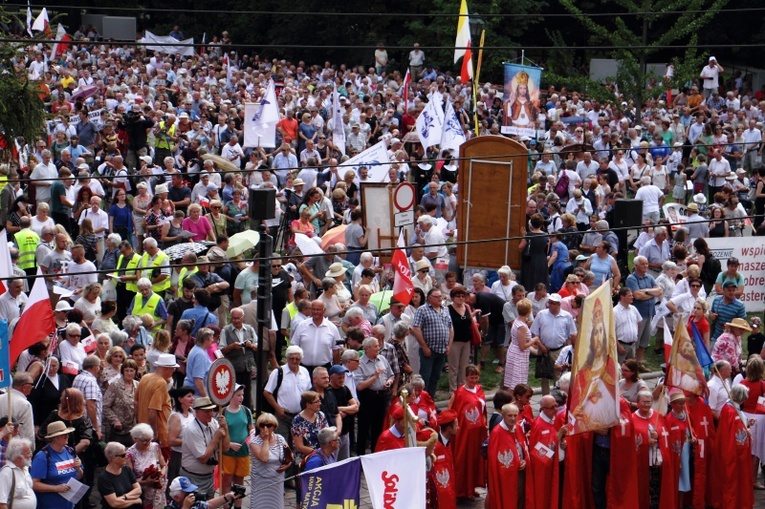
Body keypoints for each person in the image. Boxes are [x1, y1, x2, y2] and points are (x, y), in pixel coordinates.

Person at [448, 365, 487, 499]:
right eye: (471, 377)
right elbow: (452, 411)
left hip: (479, 432)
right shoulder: (459, 393)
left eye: (476, 377)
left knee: (476, 460)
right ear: (465, 377)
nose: (474, 380)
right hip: (465, 433)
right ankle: (462, 490)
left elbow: (484, 409)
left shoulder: (480, 389)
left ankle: (472, 487)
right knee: (464, 460)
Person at [180, 397, 230, 500]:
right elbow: (203, 458)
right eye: (206, 412)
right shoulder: (192, 429)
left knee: (209, 504)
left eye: (211, 410)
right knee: (196, 505)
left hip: (208, 476)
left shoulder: (213, 423)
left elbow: (225, 448)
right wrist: (216, 438)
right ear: (197, 413)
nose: (210, 414)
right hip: (193, 477)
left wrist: (225, 428)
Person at [713, 384, 754, 509]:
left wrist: (746, 423)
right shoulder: (730, 410)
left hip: (739, 453)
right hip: (733, 453)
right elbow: (731, 432)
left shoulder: (733, 409)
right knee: (732, 481)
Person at [530, 293, 577, 394]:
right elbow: (535, 332)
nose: (550, 305)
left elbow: (572, 334)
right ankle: (545, 397)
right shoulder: (541, 314)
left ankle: (558, 397)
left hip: (558, 350)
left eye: (552, 303)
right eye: (549, 302)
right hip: (543, 350)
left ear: (558, 304)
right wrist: (541, 346)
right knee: (544, 377)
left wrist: (567, 349)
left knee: (558, 375)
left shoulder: (567, 316)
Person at [632, 390, 672, 509]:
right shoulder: (632, 419)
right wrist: (645, 443)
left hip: (656, 461)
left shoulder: (657, 415)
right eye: (644, 402)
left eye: (649, 402)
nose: (647, 404)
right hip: (641, 462)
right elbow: (629, 443)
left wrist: (658, 436)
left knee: (656, 489)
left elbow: (665, 434)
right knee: (642, 489)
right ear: (637, 403)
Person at [527, 395, 569, 509]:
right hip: (546, 470)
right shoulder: (538, 425)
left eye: (556, 405)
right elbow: (539, 453)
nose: (556, 409)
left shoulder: (554, 419)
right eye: (552, 407)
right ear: (543, 409)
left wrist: (562, 443)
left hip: (558, 464)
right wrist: (558, 436)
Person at [31, 421, 84, 509]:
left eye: (67, 434)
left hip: (69, 505)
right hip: (50, 505)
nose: (67, 436)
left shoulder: (70, 451)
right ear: (54, 438)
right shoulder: (42, 456)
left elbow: (78, 477)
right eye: (64, 435)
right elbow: (34, 484)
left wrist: (78, 469)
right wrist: (56, 488)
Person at [354, 337, 394, 455]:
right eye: (375, 346)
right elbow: (359, 386)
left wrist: (389, 382)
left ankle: (376, 453)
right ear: (367, 349)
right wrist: (374, 377)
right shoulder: (360, 364)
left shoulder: (382, 359)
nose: (378, 348)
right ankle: (360, 456)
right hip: (367, 397)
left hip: (381, 396)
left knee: (379, 426)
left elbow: (391, 375)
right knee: (364, 428)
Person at [263, 345, 312, 441]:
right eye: (291, 358)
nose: (294, 361)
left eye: (297, 359)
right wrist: (278, 408)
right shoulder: (278, 372)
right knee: (283, 445)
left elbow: (309, 392)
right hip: (283, 417)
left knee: (299, 444)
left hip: (301, 416)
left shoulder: (305, 372)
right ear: (287, 358)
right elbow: (267, 392)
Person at [411, 289, 453, 397]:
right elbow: (416, 329)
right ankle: (420, 400)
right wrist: (424, 347)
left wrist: (449, 345)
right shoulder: (422, 310)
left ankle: (430, 401)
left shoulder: (445, 310)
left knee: (436, 377)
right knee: (425, 377)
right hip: (428, 350)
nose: (440, 298)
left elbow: (450, 328)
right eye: (437, 297)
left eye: (441, 296)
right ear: (430, 298)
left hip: (442, 350)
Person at [625, 256, 663, 371]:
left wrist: (645, 291)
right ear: (636, 266)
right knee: (635, 340)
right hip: (638, 314)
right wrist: (651, 293)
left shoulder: (649, 277)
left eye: (646, 263)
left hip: (648, 312)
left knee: (644, 341)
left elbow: (659, 291)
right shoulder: (632, 279)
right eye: (643, 264)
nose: (646, 266)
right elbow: (637, 296)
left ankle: (638, 362)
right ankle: (631, 364)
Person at [487, 403, 527, 508]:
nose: (513, 418)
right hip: (505, 477)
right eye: (510, 415)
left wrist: (524, 460)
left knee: (520, 498)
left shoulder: (518, 428)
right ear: (503, 415)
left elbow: (523, 447)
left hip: (519, 472)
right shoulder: (497, 433)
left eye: (515, 415)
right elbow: (493, 459)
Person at [135, 353, 178, 450]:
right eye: (173, 368)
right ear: (166, 368)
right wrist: (155, 433)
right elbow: (152, 410)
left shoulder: (145, 377)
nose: (173, 371)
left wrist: (139, 422)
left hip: (143, 430)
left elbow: (136, 402)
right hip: (159, 435)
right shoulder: (161, 383)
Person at [248, 412, 291, 509]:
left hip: (277, 481)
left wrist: (287, 465)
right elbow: (264, 458)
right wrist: (266, 440)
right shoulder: (255, 442)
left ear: (274, 427)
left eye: (268, 425)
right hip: (261, 480)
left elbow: (289, 456)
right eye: (262, 425)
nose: (265, 428)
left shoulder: (280, 439)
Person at [220, 385, 252, 509]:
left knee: (240, 481)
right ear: (231, 397)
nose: (241, 398)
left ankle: (238, 506)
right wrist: (229, 444)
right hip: (228, 453)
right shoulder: (223, 412)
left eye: (242, 395)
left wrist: (252, 434)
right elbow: (220, 433)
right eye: (238, 395)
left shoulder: (246, 411)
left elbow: (250, 427)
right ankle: (226, 505)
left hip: (243, 452)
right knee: (227, 481)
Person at [503, 298, 541, 392]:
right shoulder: (522, 326)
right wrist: (534, 339)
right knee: (516, 383)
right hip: (518, 355)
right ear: (529, 311)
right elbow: (522, 346)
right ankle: (512, 402)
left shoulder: (517, 321)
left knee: (513, 381)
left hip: (515, 351)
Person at [125, 424, 166, 509]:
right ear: (135, 438)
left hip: (158, 490)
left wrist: (160, 474)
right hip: (142, 491)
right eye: (144, 440)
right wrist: (146, 481)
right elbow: (129, 478)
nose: (147, 443)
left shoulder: (155, 447)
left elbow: (164, 465)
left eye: (149, 440)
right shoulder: (130, 453)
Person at [102, 359, 139, 446]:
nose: (129, 373)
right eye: (126, 370)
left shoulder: (138, 385)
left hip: (133, 429)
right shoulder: (115, 385)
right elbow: (105, 406)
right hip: (118, 430)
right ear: (122, 372)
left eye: (131, 371)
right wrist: (115, 421)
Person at [98, 442, 143, 509]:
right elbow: (114, 503)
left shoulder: (127, 470)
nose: (126, 456)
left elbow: (138, 490)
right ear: (114, 458)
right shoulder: (104, 478)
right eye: (123, 455)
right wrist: (134, 501)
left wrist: (124, 497)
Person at [0, 437, 36, 509]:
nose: (31, 455)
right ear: (18, 458)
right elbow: (2, 504)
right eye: (28, 453)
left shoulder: (25, 468)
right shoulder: (7, 473)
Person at [166, 476, 240, 509]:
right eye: (187, 493)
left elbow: (209, 505)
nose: (191, 494)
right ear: (177, 497)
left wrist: (227, 496)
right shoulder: (170, 507)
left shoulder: (194, 503)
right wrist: (185, 507)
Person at [613, 287, 643, 364]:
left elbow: (639, 323)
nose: (632, 297)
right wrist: (618, 346)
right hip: (621, 345)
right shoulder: (615, 312)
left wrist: (636, 336)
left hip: (632, 345)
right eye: (629, 295)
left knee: (632, 366)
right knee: (619, 366)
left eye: (632, 295)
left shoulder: (633, 309)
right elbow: (611, 331)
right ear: (622, 297)